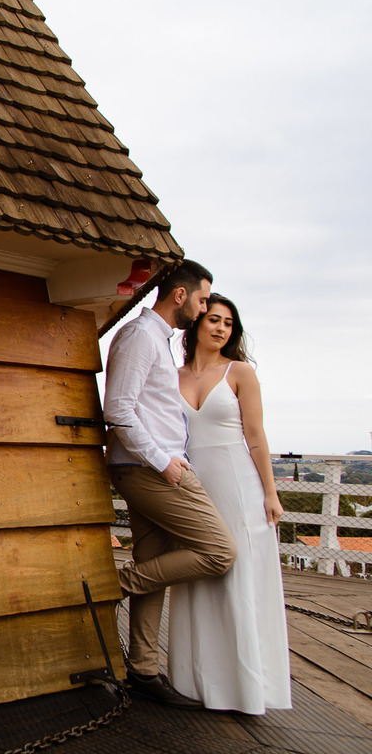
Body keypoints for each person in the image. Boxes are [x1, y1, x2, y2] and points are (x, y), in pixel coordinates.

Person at [103, 259, 236, 708]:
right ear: (180, 295)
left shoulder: (157, 339)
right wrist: (165, 464)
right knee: (220, 551)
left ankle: (143, 670)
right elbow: (118, 410)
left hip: (151, 467)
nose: (203, 310)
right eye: (202, 300)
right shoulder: (140, 336)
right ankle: (114, 585)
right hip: (149, 470)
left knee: (155, 562)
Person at [167, 295, 292, 713]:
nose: (221, 328)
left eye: (228, 323)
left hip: (239, 485)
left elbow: (255, 436)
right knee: (200, 575)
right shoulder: (172, 376)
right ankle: (197, 682)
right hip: (192, 486)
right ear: (197, 323)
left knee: (239, 578)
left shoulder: (240, 372)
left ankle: (247, 689)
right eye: (214, 320)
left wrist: (271, 493)